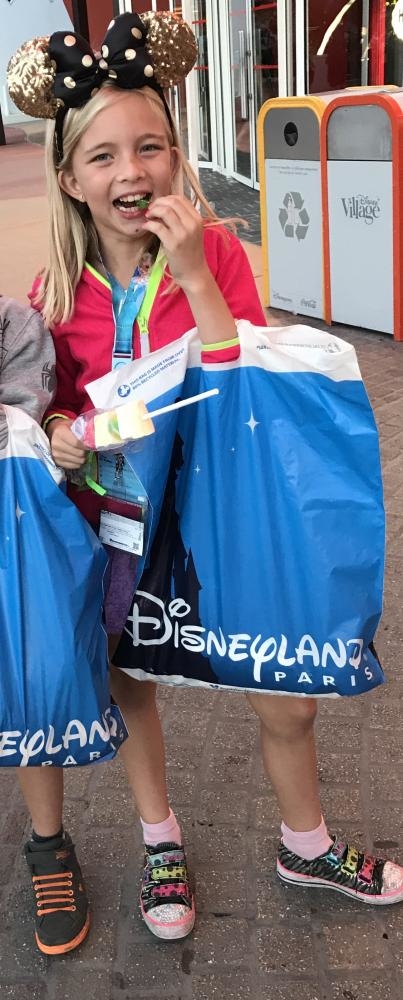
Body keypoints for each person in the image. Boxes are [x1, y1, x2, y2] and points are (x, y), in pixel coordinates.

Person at [8, 8, 403, 957]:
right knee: (131, 681)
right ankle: (161, 841)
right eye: (103, 155)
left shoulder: (217, 250)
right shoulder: (52, 290)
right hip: (117, 524)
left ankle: (305, 844)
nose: (132, 171)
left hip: (227, 515)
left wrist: (194, 277)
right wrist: (61, 435)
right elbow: (46, 407)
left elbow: (246, 381)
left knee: (283, 688)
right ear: (70, 177)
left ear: (178, 156)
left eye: (150, 146)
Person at [0, 295, 91, 955]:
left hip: (13, 541)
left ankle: (48, 844)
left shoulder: (13, 322)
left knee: (31, 683)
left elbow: (25, 420)